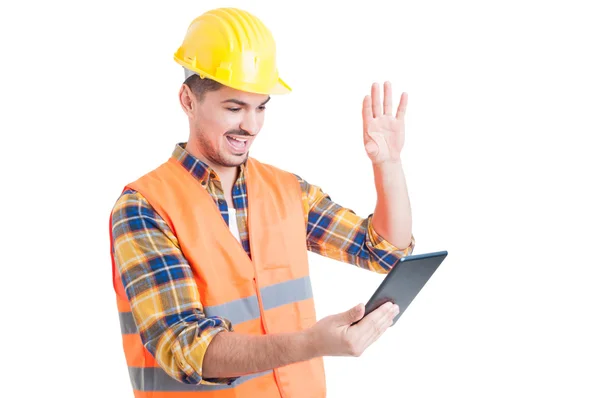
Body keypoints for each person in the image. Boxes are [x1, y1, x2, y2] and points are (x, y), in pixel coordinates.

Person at [109, 7, 415, 398]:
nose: (250, 126)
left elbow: (384, 250)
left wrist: (388, 164)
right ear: (188, 99)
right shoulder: (144, 206)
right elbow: (187, 349)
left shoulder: (287, 190)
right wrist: (314, 343)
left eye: (260, 107)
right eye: (233, 108)